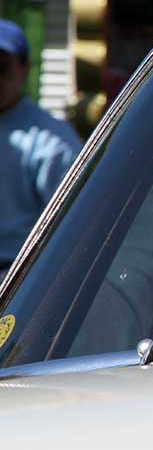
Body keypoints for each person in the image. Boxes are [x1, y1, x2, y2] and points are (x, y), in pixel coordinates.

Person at [0, 19, 82, 274]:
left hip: (17, 280)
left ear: (25, 70)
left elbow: (73, 229)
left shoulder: (52, 142)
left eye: (2, 67)